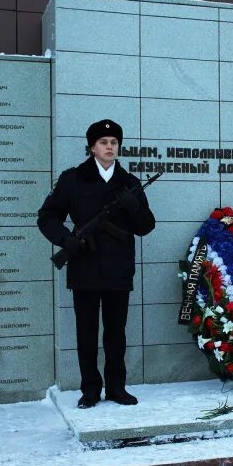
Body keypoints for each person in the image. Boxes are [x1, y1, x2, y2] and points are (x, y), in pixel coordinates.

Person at [38, 120, 156, 408]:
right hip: (85, 267)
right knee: (87, 332)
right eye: (103, 142)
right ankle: (90, 389)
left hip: (118, 269)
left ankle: (117, 387)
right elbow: (47, 216)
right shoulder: (72, 179)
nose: (109, 147)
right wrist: (66, 240)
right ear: (92, 147)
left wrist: (134, 207)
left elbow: (146, 226)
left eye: (114, 142)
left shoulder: (129, 183)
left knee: (116, 333)